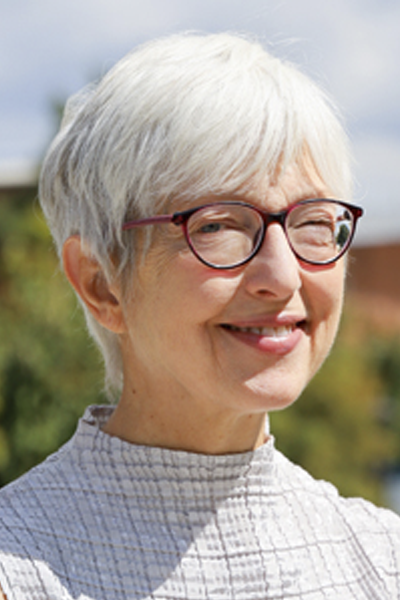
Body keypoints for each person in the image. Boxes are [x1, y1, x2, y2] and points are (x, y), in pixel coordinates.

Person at [0, 32, 399, 600]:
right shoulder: (21, 568)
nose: (283, 276)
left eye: (313, 221)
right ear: (101, 284)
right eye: (218, 225)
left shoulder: (383, 561)